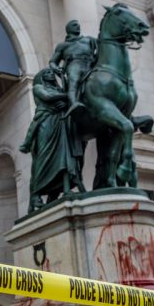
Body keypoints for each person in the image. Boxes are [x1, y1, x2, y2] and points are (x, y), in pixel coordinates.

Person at [19, 68, 81, 213]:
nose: (51, 74)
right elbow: (47, 97)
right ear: (41, 77)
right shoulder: (38, 87)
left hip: (59, 123)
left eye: (52, 73)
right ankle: (36, 194)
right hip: (45, 123)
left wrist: (65, 103)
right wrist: (68, 95)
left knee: (64, 156)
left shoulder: (58, 89)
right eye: (47, 73)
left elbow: (63, 103)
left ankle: (65, 189)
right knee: (44, 157)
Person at [48, 20, 97, 117]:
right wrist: (56, 68)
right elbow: (53, 62)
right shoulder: (62, 45)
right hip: (74, 64)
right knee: (74, 81)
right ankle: (74, 103)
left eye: (78, 25)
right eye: (75, 25)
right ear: (68, 29)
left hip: (90, 63)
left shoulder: (89, 39)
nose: (78, 27)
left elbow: (101, 50)